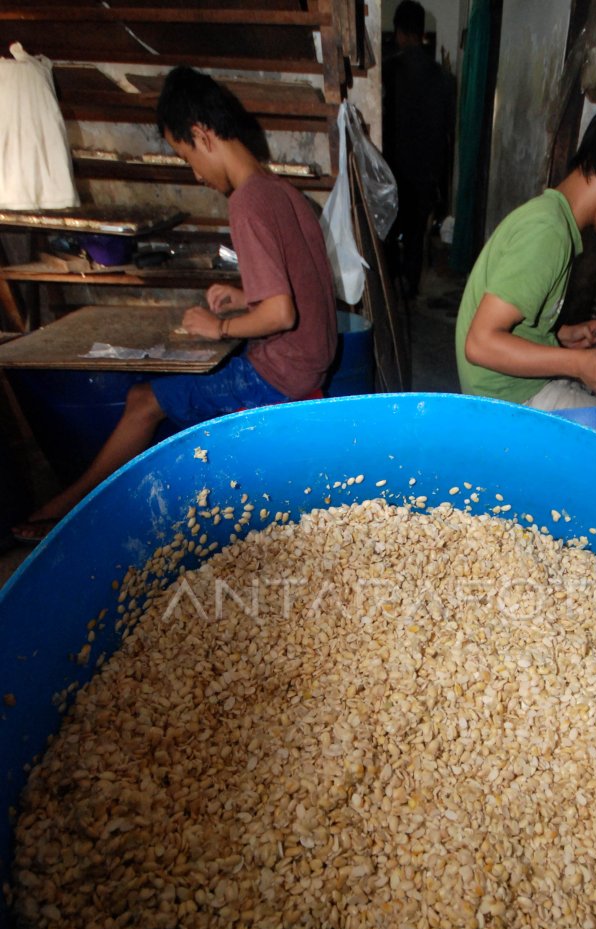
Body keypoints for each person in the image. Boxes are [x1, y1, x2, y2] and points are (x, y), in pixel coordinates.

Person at [13, 65, 337, 544]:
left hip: (283, 374)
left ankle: (65, 509)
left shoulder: (247, 201)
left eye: (187, 156)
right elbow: (302, 287)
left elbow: (282, 314)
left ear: (203, 135)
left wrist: (218, 327)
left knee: (144, 400)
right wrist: (242, 297)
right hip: (311, 362)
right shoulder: (283, 192)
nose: (196, 173)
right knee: (176, 388)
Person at [455, 86, 596, 409]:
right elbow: (480, 344)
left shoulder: (553, 219)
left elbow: (514, 321)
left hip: (507, 392)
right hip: (505, 402)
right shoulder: (548, 231)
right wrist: (579, 364)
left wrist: (558, 336)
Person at [382, 0, 453, 300]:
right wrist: (441, 185)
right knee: (414, 236)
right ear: (422, 32)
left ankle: (389, 291)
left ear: (398, 31)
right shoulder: (443, 79)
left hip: (391, 170)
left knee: (386, 232)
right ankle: (410, 292)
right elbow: (445, 135)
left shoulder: (386, 72)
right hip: (425, 172)